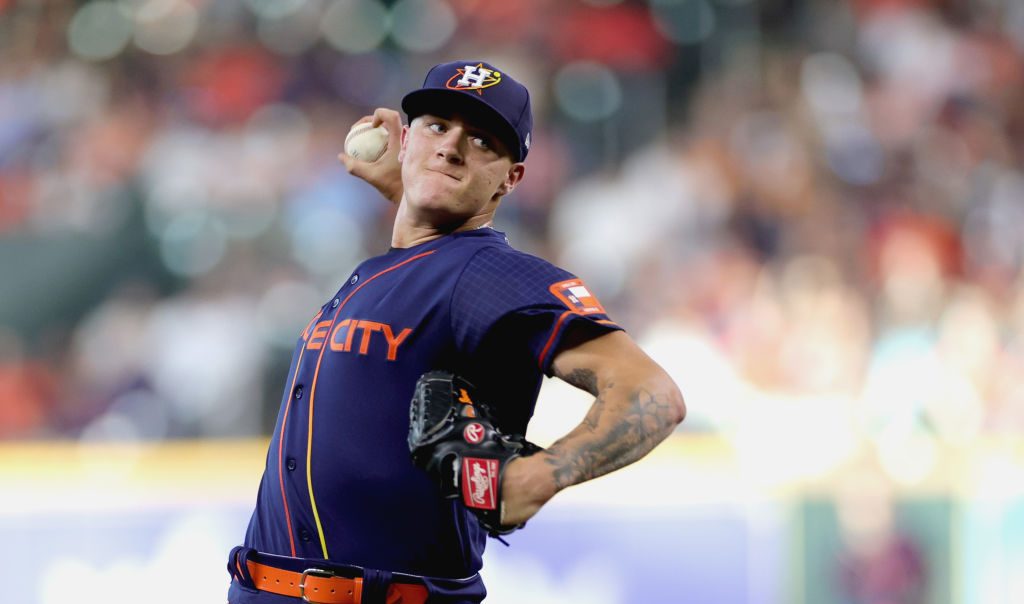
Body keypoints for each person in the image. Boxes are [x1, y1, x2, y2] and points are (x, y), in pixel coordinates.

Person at [227, 60, 686, 604]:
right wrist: (412, 191)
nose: (451, 147)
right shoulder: (405, 265)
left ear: (511, 178)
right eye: (436, 126)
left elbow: (652, 393)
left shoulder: (491, 274)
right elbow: (434, 249)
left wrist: (537, 478)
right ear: (403, 140)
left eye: (483, 141)